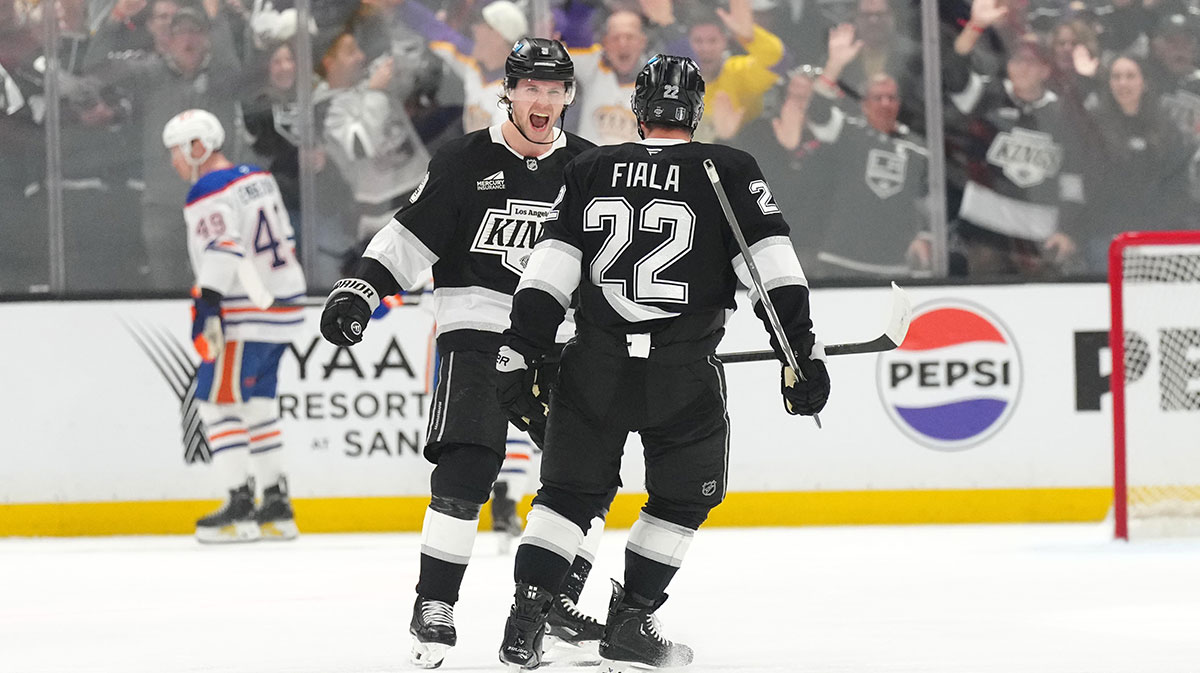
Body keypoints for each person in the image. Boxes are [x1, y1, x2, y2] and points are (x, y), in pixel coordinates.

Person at [495, 54, 830, 671]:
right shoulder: (727, 169)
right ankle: (631, 620)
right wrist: (799, 353)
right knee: (681, 499)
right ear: (695, 110)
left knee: (566, 494)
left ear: (638, 109)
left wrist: (521, 350)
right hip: (681, 374)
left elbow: (549, 272)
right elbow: (774, 273)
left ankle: (523, 625)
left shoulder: (591, 166)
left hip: (592, 366)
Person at [318, 37, 606, 669]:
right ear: (509, 91)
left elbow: (612, 265)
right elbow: (409, 239)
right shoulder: (464, 160)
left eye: (554, 89)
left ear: (568, 96)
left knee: (588, 475)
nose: (542, 100)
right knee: (466, 467)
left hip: (559, 341)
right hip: (478, 330)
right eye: (530, 87)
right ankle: (434, 604)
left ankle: (554, 602)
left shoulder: (589, 167)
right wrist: (360, 289)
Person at [162, 109, 306, 542]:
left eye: (177, 150)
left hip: (248, 313)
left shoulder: (208, 188)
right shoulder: (258, 177)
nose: (174, 161)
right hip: (284, 303)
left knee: (215, 403)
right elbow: (287, 237)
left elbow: (223, 247)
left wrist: (208, 304)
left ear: (198, 147)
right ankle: (276, 506)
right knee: (258, 404)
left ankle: (239, 505)